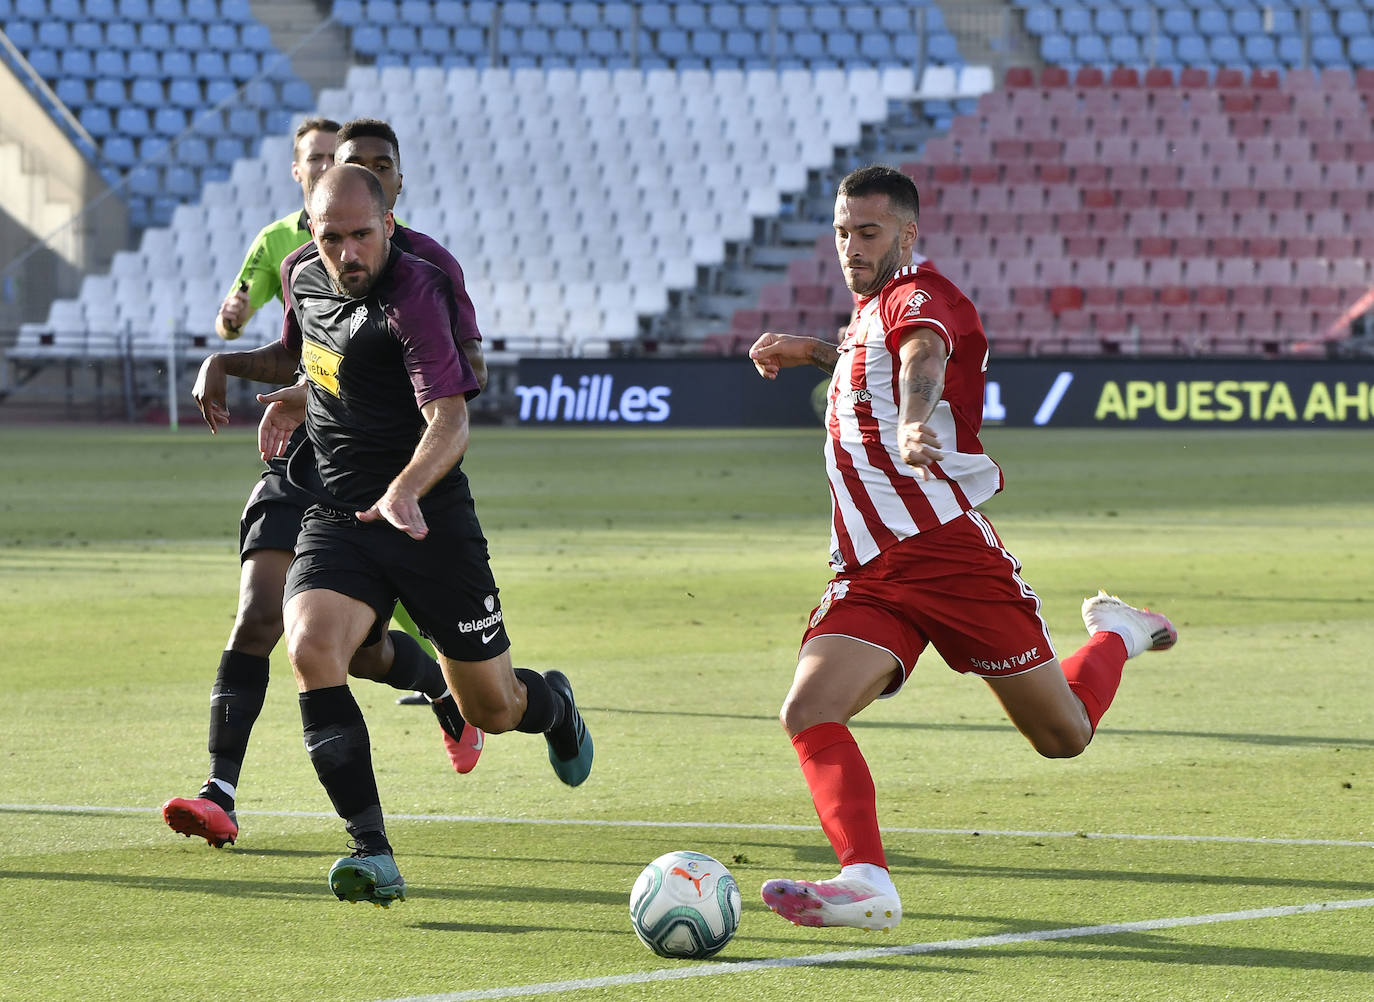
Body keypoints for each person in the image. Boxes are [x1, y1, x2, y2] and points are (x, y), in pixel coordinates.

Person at [746, 165, 1176, 932]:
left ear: (906, 234)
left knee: (1063, 735)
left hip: (948, 555)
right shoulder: (870, 309)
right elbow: (867, 357)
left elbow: (920, 358)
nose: (850, 246)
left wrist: (916, 420)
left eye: (868, 232)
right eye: (843, 231)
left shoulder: (918, 295)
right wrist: (809, 349)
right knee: (809, 708)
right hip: (871, 572)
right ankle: (866, 882)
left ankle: (1119, 631)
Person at [256, 165, 592, 905]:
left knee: (493, 710)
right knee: (312, 649)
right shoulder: (298, 275)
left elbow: (450, 418)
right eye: (330, 236)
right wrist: (291, 397)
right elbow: (323, 358)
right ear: (310, 231)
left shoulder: (416, 294)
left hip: (428, 519)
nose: (346, 253)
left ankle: (555, 705)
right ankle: (371, 852)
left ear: (389, 225)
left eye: (361, 236)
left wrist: (407, 488)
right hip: (338, 512)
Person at [162, 119, 484, 852]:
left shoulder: (422, 267)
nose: (323, 174)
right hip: (303, 465)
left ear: (383, 194)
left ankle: (440, 684)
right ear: (302, 177)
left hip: (378, 475)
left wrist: (316, 390)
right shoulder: (287, 251)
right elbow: (299, 349)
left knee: (359, 652)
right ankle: (222, 790)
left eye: (349, 166)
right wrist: (242, 359)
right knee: (260, 614)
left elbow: (449, 380)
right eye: (316, 163)